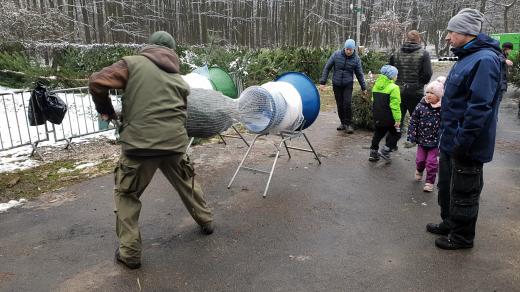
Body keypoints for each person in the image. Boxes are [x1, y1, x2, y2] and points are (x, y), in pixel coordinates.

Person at [89, 31, 214, 269]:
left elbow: (97, 81)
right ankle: (207, 221)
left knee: (127, 195)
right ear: (172, 52)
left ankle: (130, 253)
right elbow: (181, 112)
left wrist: (106, 110)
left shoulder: (131, 65)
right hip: (174, 144)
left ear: (148, 46)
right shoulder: (179, 80)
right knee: (187, 183)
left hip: (139, 147)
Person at [426, 9, 504, 250]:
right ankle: (449, 223)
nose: (448, 37)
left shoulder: (485, 60)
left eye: (451, 32)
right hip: (451, 139)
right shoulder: (467, 57)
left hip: (467, 144)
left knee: (464, 191)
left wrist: (463, 141)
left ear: (466, 32)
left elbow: (480, 107)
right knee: (448, 185)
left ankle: (462, 237)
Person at [389, 30, 433, 149]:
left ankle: (391, 144)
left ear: (406, 39)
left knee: (397, 118)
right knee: (417, 118)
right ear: (418, 39)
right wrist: (419, 84)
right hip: (415, 92)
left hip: (398, 91)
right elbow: (428, 73)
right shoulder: (424, 54)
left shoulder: (396, 53)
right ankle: (414, 141)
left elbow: (390, 71)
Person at [319, 39, 367, 134]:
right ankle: (342, 123)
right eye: (347, 49)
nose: (349, 51)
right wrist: (323, 82)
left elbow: (359, 74)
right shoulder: (336, 55)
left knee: (347, 103)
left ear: (354, 50)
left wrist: (364, 87)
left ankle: (348, 124)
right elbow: (327, 67)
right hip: (336, 84)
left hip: (348, 84)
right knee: (340, 104)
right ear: (344, 48)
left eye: (351, 50)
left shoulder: (356, 59)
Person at [407, 77, 445, 192]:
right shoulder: (421, 106)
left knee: (431, 163)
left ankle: (429, 181)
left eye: (432, 93)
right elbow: (413, 120)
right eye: (427, 92)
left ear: (439, 96)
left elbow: (445, 124)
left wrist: (443, 137)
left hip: (435, 142)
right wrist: (412, 135)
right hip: (422, 140)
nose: (428, 95)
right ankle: (419, 169)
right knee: (420, 160)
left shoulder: (442, 109)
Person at [368, 65, 400, 162]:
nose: (396, 76)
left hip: (378, 116)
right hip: (389, 117)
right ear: (392, 76)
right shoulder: (394, 88)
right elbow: (395, 106)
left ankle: (373, 153)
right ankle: (386, 150)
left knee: (378, 133)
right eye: (396, 75)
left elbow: (374, 100)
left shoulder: (376, 86)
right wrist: (397, 119)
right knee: (396, 134)